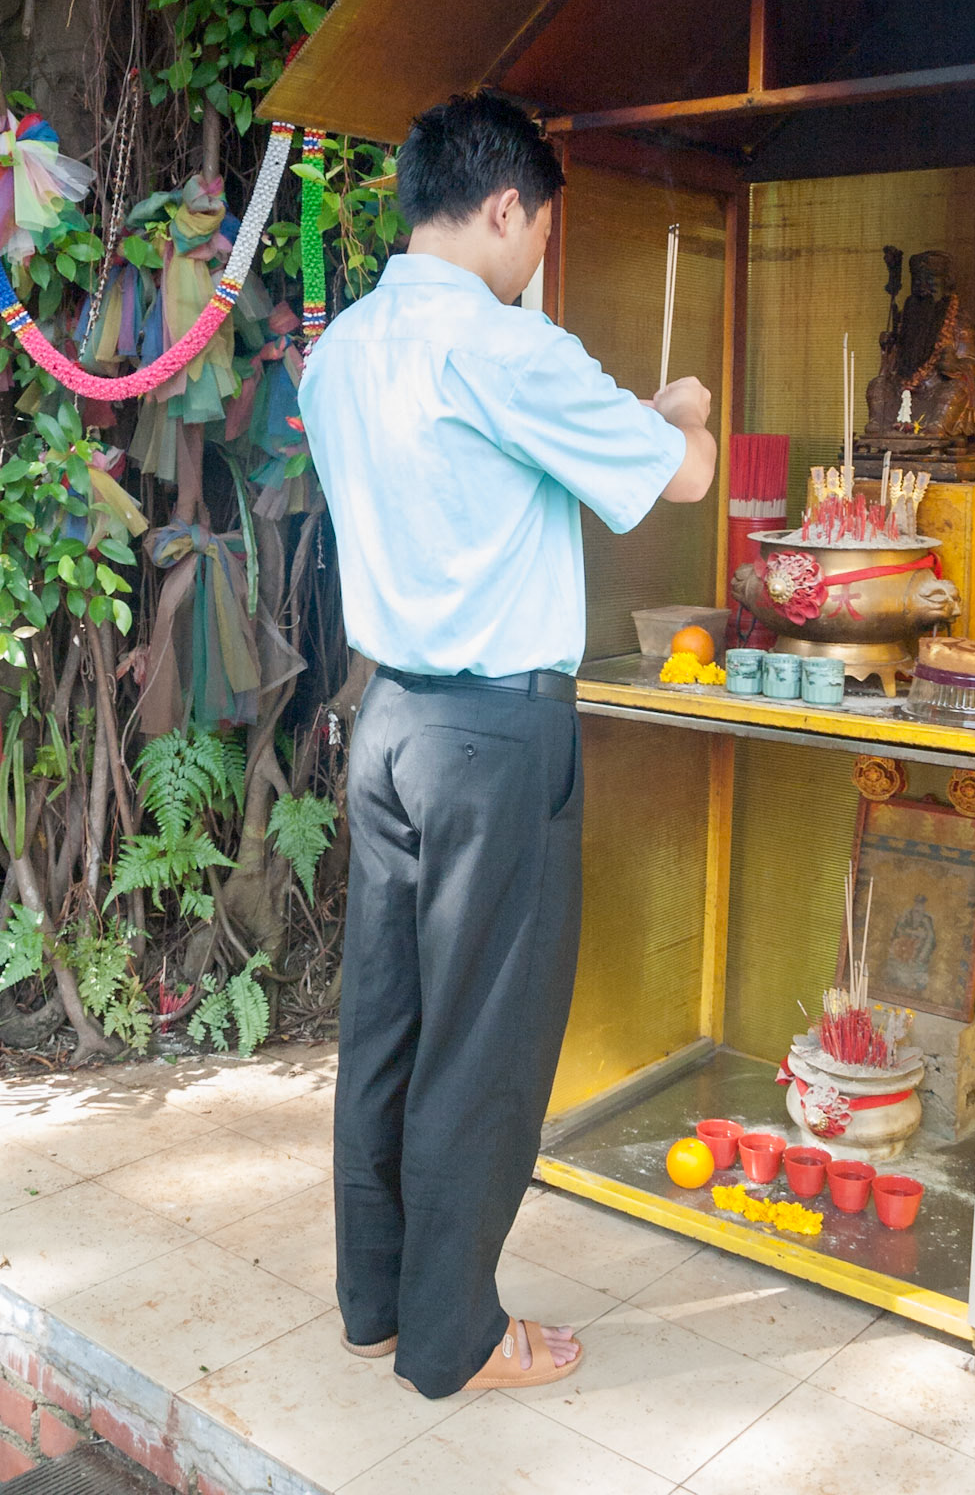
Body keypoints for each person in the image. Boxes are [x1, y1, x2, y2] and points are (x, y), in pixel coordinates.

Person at [298, 90, 717, 1400]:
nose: (539, 254)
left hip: (392, 727)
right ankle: (454, 1339)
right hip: (495, 737)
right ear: (504, 207)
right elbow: (685, 476)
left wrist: (630, 415)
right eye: (541, 226)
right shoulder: (509, 346)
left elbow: (489, 469)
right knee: (486, 1040)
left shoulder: (342, 353)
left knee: (389, 1024)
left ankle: (377, 1304)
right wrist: (686, 413)